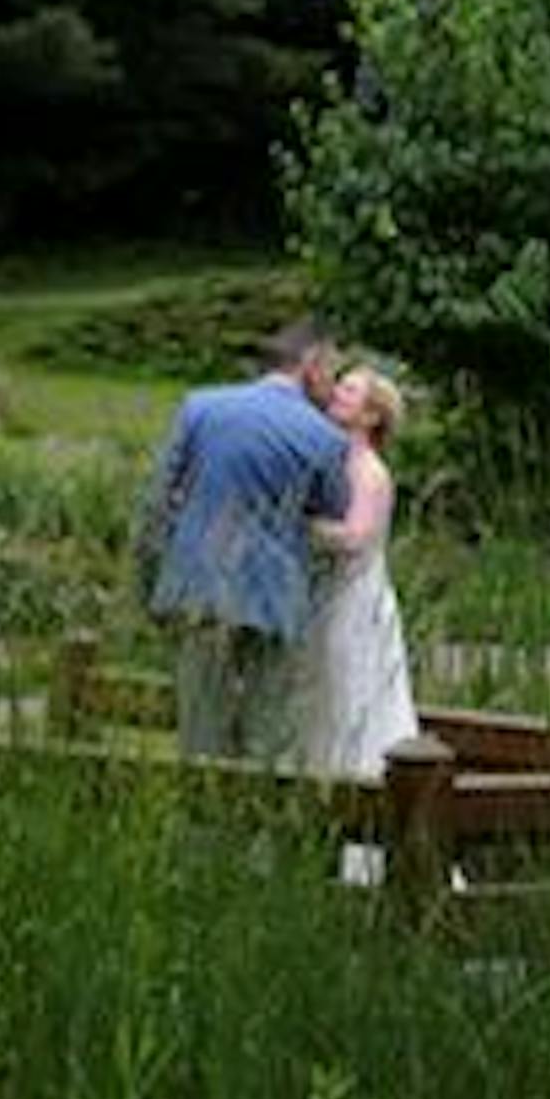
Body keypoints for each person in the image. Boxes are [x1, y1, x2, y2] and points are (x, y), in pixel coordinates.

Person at [137, 324, 350, 763]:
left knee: (199, 733)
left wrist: (152, 582)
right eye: (331, 370)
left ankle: (199, 826)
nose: (332, 383)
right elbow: (333, 510)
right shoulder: (323, 437)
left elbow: (158, 503)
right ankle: (254, 825)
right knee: (266, 735)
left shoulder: (201, 407)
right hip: (275, 597)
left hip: (198, 587)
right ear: (309, 364)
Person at [301, 365, 419, 780]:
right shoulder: (329, 461)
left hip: (356, 601)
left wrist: (301, 527)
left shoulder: (370, 472)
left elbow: (355, 538)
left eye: (350, 390)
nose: (338, 393)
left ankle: (363, 784)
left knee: (353, 688)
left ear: (371, 415)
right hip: (325, 594)